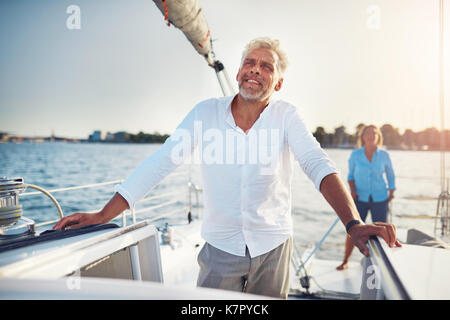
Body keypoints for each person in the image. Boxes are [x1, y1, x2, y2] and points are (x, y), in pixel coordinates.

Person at [54, 37, 401, 299]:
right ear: (238, 72)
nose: (256, 69)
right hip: (220, 250)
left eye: (267, 67)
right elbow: (161, 162)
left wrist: (353, 224)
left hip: (274, 248)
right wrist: (103, 214)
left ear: (277, 83)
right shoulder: (205, 113)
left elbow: (316, 164)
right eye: (250, 62)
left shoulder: (287, 116)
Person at [336, 124, 396, 271]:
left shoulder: (384, 155)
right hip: (359, 198)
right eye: (368, 133)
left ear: (378, 137)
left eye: (374, 133)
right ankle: (345, 261)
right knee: (353, 230)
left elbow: (390, 174)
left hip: (380, 198)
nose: (371, 135)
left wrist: (391, 191)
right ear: (363, 136)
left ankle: (383, 266)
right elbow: (350, 176)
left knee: (382, 231)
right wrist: (352, 190)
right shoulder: (355, 155)